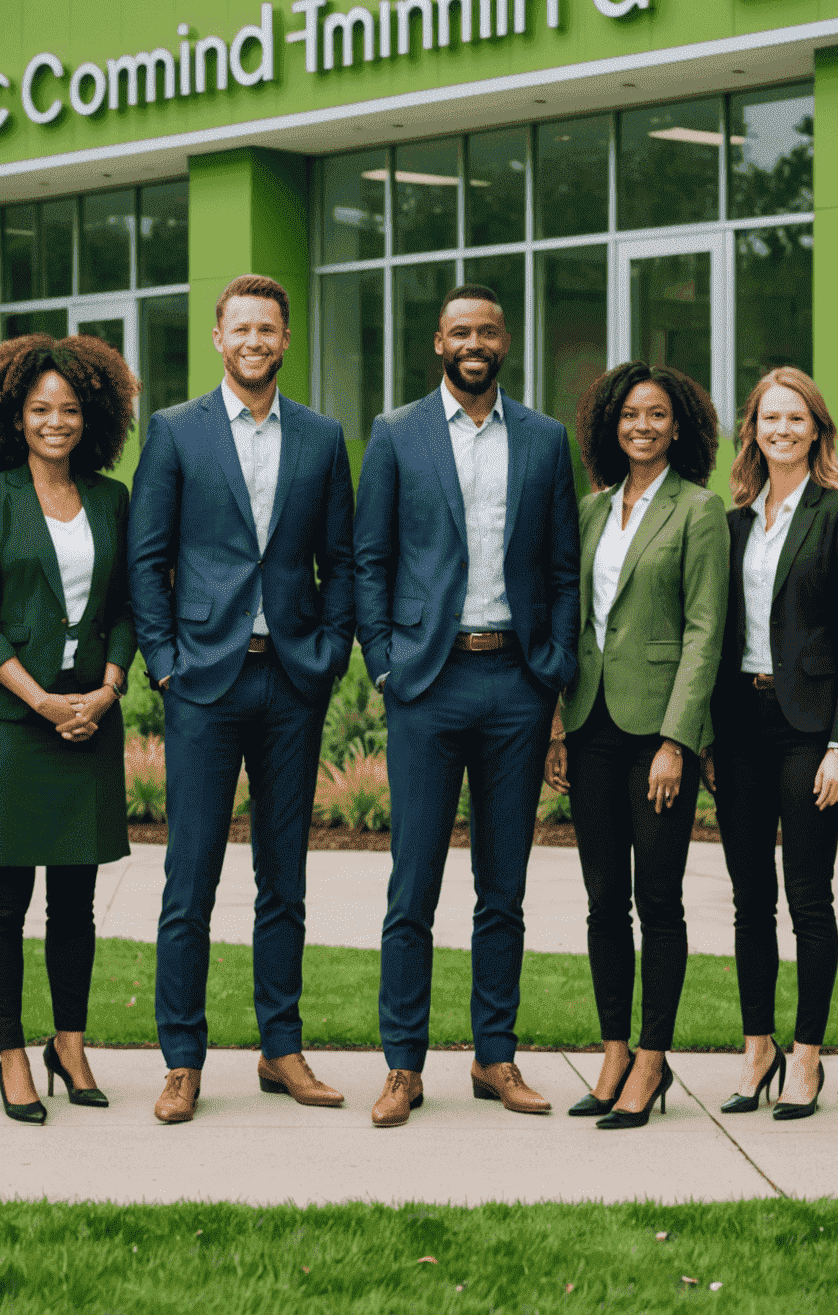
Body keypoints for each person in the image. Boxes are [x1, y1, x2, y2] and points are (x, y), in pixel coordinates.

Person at [128, 274, 355, 1124]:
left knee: (283, 879)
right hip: (203, 683)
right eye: (241, 329)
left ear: (285, 339)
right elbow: (146, 560)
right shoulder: (176, 432)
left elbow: (344, 560)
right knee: (189, 879)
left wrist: (331, 655)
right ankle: (181, 1059)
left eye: (269, 328)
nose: (255, 341)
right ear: (218, 339)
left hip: (292, 678)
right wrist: (163, 664)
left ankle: (281, 1049)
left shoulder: (323, 437)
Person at [355, 283, 580, 1128]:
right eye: (459, 330)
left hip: (515, 686)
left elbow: (562, 567)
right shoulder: (395, 435)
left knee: (504, 890)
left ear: (505, 340)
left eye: (487, 328)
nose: (474, 342)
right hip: (426, 683)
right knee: (412, 887)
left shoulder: (546, 440)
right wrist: (384, 665)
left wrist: (550, 673)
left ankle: (495, 1057)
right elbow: (368, 559)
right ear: (438, 344)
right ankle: (402, 1067)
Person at [0, 334, 140, 1124]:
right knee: (4, 901)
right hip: (10, 723)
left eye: (69, 409)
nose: (55, 422)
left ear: (89, 415)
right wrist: (42, 702)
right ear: (13, 416)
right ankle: (10, 1056)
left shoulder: (111, 499)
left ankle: (69, 1042)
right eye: (39, 410)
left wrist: (104, 691)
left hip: (89, 724)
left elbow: (130, 606)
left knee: (77, 902)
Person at [545, 361, 727, 1129]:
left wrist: (677, 741)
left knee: (658, 897)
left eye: (655, 415)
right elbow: (573, 618)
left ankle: (653, 1060)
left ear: (678, 425)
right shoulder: (589, 511)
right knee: (600, 902)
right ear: (607, 426)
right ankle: (614, 1049)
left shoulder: (700, 510)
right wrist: (557, 722)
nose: (641, 426)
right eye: (627, 415)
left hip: (657, 735)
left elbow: (705, 631)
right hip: (589, 725)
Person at [702, 368, 838, 1122]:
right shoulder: (733, 522)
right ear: (754, 429)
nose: (782, 429)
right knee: (748, 901)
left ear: (816, 428)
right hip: (740, 726)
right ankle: (758, 1049)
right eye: (770, 418)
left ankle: (808, 1056)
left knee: (808, 895)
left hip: (810, 730)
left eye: (795, 417)